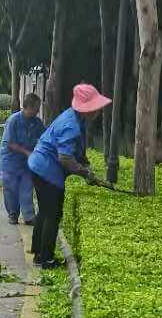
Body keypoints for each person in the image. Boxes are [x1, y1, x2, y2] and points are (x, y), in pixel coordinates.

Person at [28, 82, 111, 268]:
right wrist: (85, 173)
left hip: (38, 166)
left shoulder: (73, 118)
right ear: (87, 109)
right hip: (47, 171)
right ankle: (47, 259)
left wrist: (84, 165)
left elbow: (75, 151)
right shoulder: (71, 125)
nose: (98, 111)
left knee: (45, 210)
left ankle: (38, 253)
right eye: (96, 107)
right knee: (53, 214)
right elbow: (65, 158)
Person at [0, 92, 44, 225]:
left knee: (26, 187)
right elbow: (10, 143)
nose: (38, 111)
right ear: (27, 107)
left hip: (26, 163)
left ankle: (29, 217)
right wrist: (27, 152)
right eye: (36, 108)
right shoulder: (14, 120)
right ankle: (13, 214)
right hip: (10, 161)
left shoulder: (37, 123)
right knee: (11, 188)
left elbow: (44, 137)